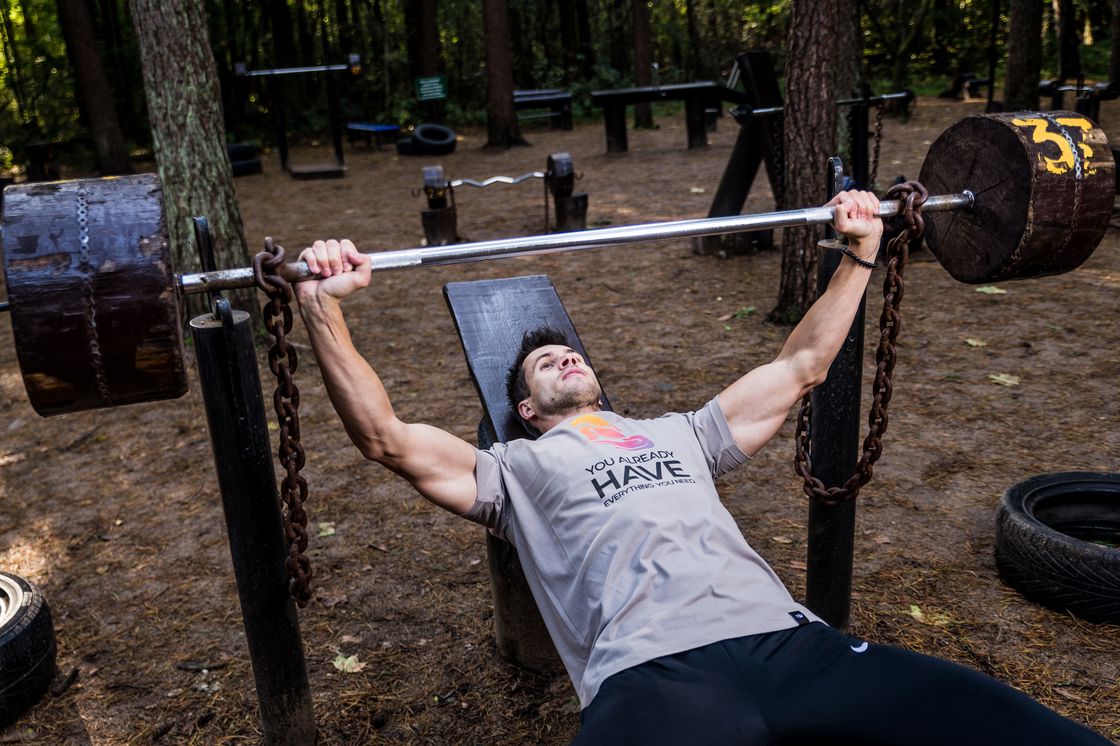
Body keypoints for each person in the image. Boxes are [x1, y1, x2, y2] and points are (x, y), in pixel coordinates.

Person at [294, 191, 1109, 745]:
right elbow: (387, 438)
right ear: (529, 412)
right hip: (650, 680)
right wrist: (320, 305)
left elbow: (799, 369)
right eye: (544, 362)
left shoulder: (680, 433)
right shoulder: (512, 472)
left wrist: (861, 252)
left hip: (790, 648)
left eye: (570, 350)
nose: (564, 356)